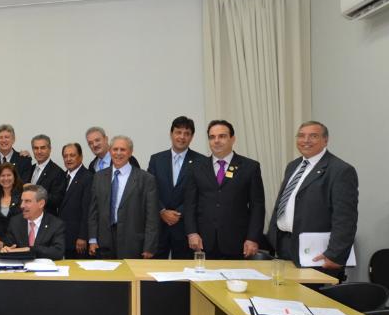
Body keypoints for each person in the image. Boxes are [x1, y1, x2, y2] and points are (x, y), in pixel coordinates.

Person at [267, 121, 358, 279]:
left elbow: (345, 218)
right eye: (301, 136)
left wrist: (334, 254)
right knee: (285, 292)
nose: (306, 140)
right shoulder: (293, 166)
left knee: (310, 292)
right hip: (285, 245)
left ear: (325, 140)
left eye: (313, 136)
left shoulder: (340, 170)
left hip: (316, 253)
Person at [0, 184, 66, 315]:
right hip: (19, 277)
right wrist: (6, 249)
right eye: (22, 201)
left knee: (54, 300)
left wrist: (31, 249)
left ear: (41, 203)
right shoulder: (15, 222)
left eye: (27, 201)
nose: (22, 205)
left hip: (47, 279)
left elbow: (58, 251)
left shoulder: (56, 224)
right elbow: (8, 244)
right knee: (12, 298)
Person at [183, 120, 265, 259]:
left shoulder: (250, 167)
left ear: (232, 139)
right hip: (203, 242)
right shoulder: (196, 167)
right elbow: (190, 204)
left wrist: (253, 238)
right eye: (212, 137)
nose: (216, 141)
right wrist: (192, 233)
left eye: (222, 136)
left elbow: (257, 206)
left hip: (238, 243)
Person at [87, 135, 160, 259]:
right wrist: (92, 239)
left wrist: (149, 247)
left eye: (123, 149)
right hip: (104, 242)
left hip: (133, 243)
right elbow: (93, 211)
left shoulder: (146, 179)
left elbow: (152, 217)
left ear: (130, 152)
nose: (118, 153)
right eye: (115, 149)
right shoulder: (98, 177)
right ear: (110, 151)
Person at [147, 116, 205, 259]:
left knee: (184, 269)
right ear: (171, 134)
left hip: (186, 227)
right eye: (178, 132)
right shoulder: (156, 159)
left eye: (187, 133)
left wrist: (179, 213)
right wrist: (162, 211)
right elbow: (150, 190)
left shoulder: (202, 161)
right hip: (159, 227)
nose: (182, 137)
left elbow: (201, 193)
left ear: (192, 137)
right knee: (155, 269)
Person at [59, 142, 93, 259]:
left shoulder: (88, 177)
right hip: (63, 237)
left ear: (80, 157)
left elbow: (87, 210)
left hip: (78, 240)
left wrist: (83, 236)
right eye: (65, 156)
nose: (68, 159)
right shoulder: (62, 176)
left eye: (72, 155)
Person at [0, 162, 24, 250]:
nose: (6, 178)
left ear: (14, 177)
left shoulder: (23, 196)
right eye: (2, 175)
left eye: (9, 175)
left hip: (19, 242)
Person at [27, 134, 66, 214]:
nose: (39, 151)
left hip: (46, 218)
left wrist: (35, 191)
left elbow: (57, 200)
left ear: (49, 149)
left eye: (43, 148)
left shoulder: (58, 172)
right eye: (36, 148)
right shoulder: (29, 169)